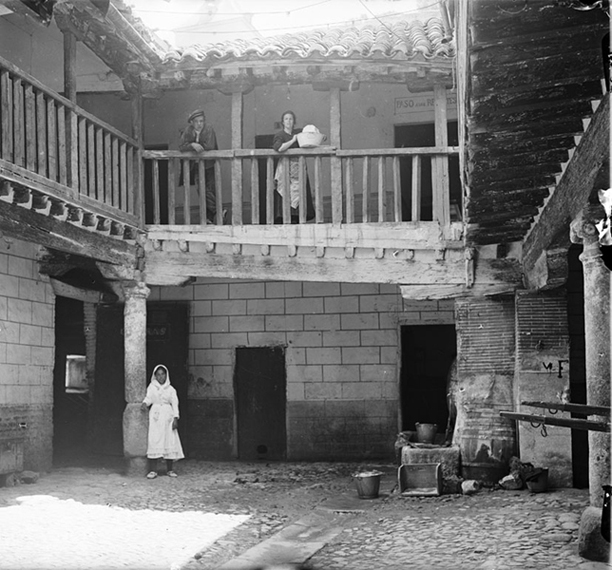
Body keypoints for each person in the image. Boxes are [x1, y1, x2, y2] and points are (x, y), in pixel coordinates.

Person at [179, 109, 223, 223]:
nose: (199, 124)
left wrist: (195, 146)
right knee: (200, 190)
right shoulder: (188, 131)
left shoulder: (209, 128)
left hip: (209, 165)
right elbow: (181, 146)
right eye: (197, 121)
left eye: (201, 121)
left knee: (209, 190)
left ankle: (215, 213)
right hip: (197, 165)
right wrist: (192, 145)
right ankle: (214, 214)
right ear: (192, 122)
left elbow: (209, 145)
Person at [141, 364, 184, 478]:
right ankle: (153, 470)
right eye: (158, 375)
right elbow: (149, 397)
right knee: (154, 439)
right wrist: (145, 403)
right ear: (155, 376)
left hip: (167, 416)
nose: (161, 377)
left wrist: (175, 417)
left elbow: (175, 403)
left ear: (166, 375)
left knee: (168, 439)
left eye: (163, 374)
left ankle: (169, 469)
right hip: (155, 416)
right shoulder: (151, 387)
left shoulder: (171, 389)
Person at [273, 110, 315, 223]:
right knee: (286, 193)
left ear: (294, 121)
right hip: (287, 169)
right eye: (286, 119)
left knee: (300, 194)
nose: (288, 121)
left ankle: (299, 219)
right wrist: (293, 140)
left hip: (299, 168)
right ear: (282, 121)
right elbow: (279, 148)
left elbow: (311, 136)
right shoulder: (280, 135)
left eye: (291, 119)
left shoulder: (298, 133)